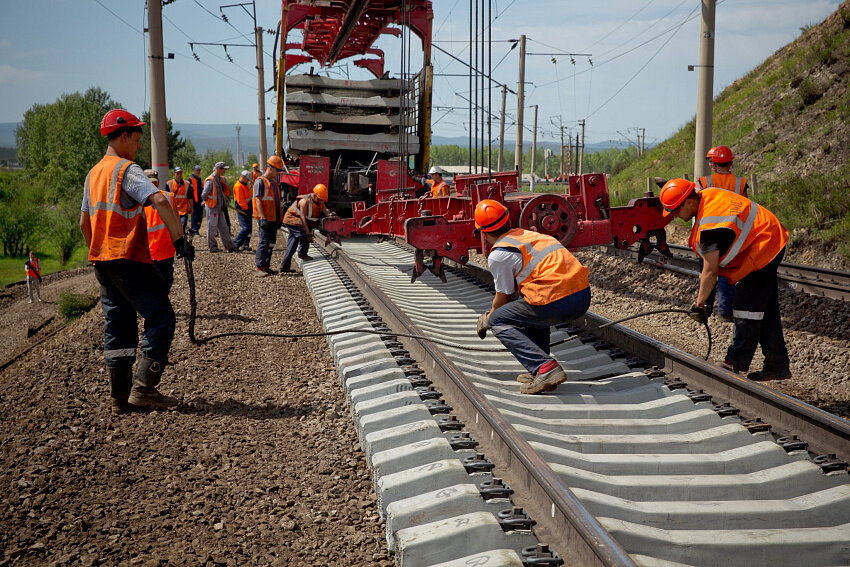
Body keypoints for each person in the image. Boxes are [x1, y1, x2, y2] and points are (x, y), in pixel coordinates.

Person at [80, 109, 191, 414]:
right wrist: (179, 239)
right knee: (162, 317)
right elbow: (159, 200)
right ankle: (144, 389)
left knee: (119, 324)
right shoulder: (127, 170)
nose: (139, 146)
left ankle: (119, 397)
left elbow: (83, 223)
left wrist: (95, 252)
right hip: (127, 256)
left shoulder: (93, 173)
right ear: (124, 136)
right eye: (138, 139)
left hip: (103, 261)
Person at [660, 179, 791, 382]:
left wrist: (700, 304)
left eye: (675, 211)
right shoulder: (707, 198)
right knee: (765, 308)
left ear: (688, 202)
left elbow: (710, 270)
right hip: (767, 236)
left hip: (764, 245)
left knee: (746, 308)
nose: (675, 216)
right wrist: (706, 303)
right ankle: (777, 365)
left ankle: (734, 362)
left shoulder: (710, 225)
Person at [473, 199, 591, 395]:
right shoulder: (529, 236)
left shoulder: (500, 253)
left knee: (498, 319)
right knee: (530, 303)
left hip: (556, 300)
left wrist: (489, 317)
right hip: (582, 295)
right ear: (508, 220)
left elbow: (503, 297)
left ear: (483, 232)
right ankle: (538, 367)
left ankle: (545, 368)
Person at [698, 145, 748, 321]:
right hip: (732, 233)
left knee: (707, 271)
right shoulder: (741, 183)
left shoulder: (704, 182)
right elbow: (746, 207)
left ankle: (705, 307)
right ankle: (726, 312)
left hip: (710, 232)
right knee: (727, 272)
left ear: (713, 164)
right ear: (731, 163)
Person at [279, 182, 333, 274]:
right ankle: (302, 254)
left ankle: (285, 266)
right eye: (320, 199)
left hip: (299, 222)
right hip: (292, 221)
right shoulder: (304, 201)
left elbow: (325, 210)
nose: (321, 201)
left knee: (292, 244)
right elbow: (303, 218)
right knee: (303, 234)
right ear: (315, 195)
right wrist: (308, 234)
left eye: (322, 199)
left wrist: (330, 214)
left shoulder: (320, 200)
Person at [143, 169, 178, 293]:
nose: (153, 185)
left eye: (154, 183)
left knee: (164, 283)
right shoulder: (137, 202)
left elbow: (177, 224)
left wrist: (181, 243)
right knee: (155, 284)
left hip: (163, 251)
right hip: (149, 253)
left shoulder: (168, 197)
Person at [253, 156, 285, 276]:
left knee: (271, 242)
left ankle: (266, 265)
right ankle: (260, 267)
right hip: (266, 218)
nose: (278, 174)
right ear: (271, 168)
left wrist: (278, 218)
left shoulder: (273, 182)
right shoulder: (260, 182)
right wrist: (263, 218)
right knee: (264, 242)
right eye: (277, 171)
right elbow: (258, 200)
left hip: (273, 218)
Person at [202, 161, 239, 253]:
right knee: (212, 228)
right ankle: (212, 247)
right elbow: (204, 195)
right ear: (218, 169)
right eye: (223, 169)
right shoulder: (210, 180)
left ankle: (230, 246)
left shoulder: (219, 179)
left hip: (220, 208)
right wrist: (209, 202)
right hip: (212, 207)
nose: (224, 171)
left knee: (224, 228)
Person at [232, 169, 253, 251]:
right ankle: (235, 244)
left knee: (249, 229)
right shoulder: (238, 186)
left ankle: (246, 244)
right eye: (247, 179)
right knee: (245, 228)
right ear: (244, 177)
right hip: (243, 209)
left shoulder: (244, 185)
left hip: (247, 209)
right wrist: (246, 210)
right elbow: (240, 201)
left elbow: (247, 198)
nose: (248, 181)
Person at [166, 166, 191, 232]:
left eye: (180, 173)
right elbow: (166, 197)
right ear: (174, 174)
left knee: (182, 228)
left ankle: (181, 240)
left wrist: (192, 208)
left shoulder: (187, 184)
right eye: (177, 173)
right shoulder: (169, 184)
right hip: (173, 210)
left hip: (183, 211)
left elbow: (190, 197)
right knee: (173, 229)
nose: (179, 175)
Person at [188, 165, 204, 235]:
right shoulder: (190, 180)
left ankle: (197, 229)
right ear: (194, 170)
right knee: (194, 216)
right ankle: (194, 231)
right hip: (194, 202)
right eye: (197, 170)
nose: (198, 171)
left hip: (200, 202)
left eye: (199, 170)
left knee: (200, 217)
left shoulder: (200, 180)